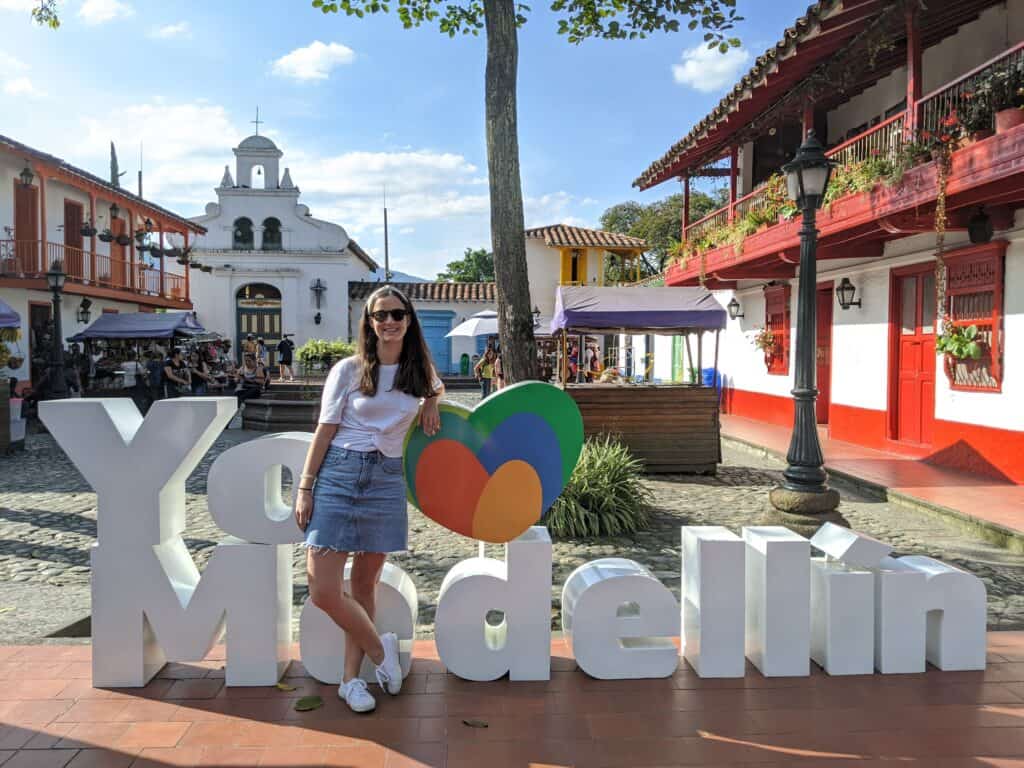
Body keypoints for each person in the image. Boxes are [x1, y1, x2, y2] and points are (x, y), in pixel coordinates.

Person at [294, 285, 443, 714]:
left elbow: (437, 387)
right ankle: (382, 654)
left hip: (385, 479)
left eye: (398, 314)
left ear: (409, 320)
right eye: (381, 316)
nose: (390, 322)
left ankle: (350, 682)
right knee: (323, 589)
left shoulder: (420, 371)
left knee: (363, 585)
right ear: (370, 323)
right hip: (339, 474)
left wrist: (432, 401)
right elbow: (325, 429)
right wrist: (306, 487)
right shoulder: (349, 370)